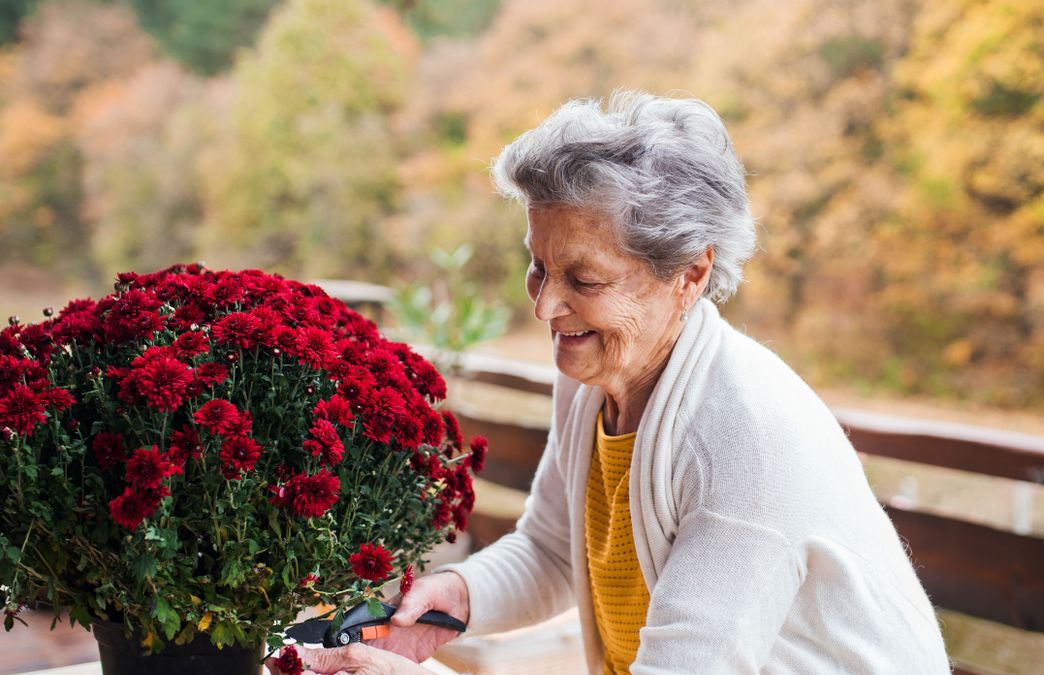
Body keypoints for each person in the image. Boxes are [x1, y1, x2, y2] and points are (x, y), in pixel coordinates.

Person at [272, 91, 950, 675]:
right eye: (538, 267)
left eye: (584, 279)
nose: (544, 306)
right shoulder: (595, 374)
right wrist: (455, 594)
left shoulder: (747, 440)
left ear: (689, 272)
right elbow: (552, 549)